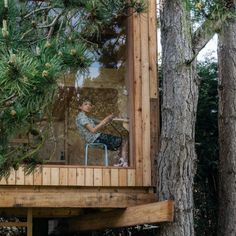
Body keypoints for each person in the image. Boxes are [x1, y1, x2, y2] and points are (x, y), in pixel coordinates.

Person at [76, 98, 128, 167]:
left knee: (119, 141)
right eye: (85, 104)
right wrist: (106, 120)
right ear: (80, 107)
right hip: (95, 139)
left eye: (90, 105)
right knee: (124, 140)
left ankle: (120, 161)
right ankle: (124, 162)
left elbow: (100, 122)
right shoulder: (82, 117)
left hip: (95, 138)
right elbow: (93, 130)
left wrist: (109, 118)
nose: (88, 106)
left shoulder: (87, 117)